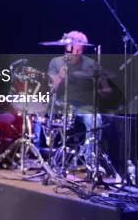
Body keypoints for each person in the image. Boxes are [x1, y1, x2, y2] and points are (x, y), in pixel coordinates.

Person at [47, 30, 111, 168]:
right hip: (61, 104)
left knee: (95, 119)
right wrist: (60, 76)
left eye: (80, 50)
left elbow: (107, 90)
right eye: (74, 49)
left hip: (82, 106)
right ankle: (47, 158)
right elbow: (51, 89)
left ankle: (90, 161)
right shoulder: (56, 62)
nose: (76, 53)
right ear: (67, 47)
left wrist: (96, 92)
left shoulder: (92, 64)